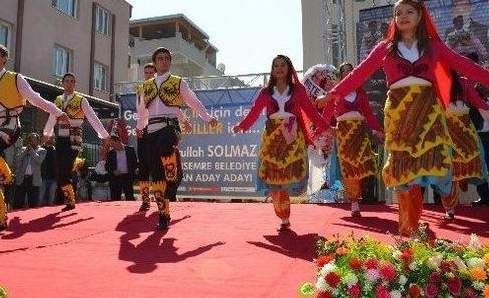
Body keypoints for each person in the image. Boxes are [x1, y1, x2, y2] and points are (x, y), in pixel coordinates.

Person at [325, 0, 489, 237]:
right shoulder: (385, 48)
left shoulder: (433, 46)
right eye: (398, 13)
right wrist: (333, 94)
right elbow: (359, 74)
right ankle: (408, 228)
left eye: (409, 12)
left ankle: (428, 215)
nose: (403, 16)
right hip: (398, 113)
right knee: (403, 171)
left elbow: (464, 65)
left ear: (420, 17)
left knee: (429, 166)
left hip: (427, 112)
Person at [0, 42, 67, 237]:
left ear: (4, 58)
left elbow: (35, 99)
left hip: (9, 126)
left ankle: (8, 177)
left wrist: (58, 112)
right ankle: (0, 220)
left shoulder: (15, 78)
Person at [233, 54, 330, 231]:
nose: (279, 68)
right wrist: (241, 126)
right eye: (276, 65)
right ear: (272, 70)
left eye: (282, 65)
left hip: (292, 138)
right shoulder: (265, 92)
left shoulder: (298, 91)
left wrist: (326, 126)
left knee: (285, 179)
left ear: (288, 68)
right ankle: (282, 215)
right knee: (274, 179)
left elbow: (311, 111)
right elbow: (254, 112)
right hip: (272, 138)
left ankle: (284, 217)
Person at [137, 47, 217, 230]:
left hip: (170, 126)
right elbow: (142, 111)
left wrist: (207, 117)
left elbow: (192, 101)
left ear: (170, 62)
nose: (164, 61)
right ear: (155, 62)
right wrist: (140, 127)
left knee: (165, 145)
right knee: (156, 176)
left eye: (167, 58)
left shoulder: (178, 82)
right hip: (151, 129)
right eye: (160, 59)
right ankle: (163, 215)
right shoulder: (145, 86)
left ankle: (174, 173)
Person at [441, 72, 489, 219]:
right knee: (448, 169)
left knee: (476, 161)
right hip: (447, 131)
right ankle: (449, 208)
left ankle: (471, 186)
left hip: (465, 131)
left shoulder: (465, 83)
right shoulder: (439, 80)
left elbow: (480, 104)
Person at [322, 62, 383, 218]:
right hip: (344, 133)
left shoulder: (360, 92)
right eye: (345, 71)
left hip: (359, 132)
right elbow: (327, 113)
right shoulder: (336, 92)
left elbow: (368, 112)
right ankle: (354, 203)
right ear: (340, 75)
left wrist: (377, 129)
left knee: (363, 166)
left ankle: (358, 194)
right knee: (349, 168)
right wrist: (320, 130)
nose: (348, 73)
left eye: (351, 71)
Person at [43, 72, 110, 211]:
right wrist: (47, 133)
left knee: (64, 169)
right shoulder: (58, 99)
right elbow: (52, 116)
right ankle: (68, 197)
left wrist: (104, 134)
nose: (69, 83)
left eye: (72, 81)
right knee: (60, 171)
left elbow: (92, 117)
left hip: (74, 139)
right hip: (60, 138)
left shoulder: (81, 100)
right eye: (66, 81)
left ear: (75, 84)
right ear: (63, 83)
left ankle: (68, 199)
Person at [136, 62, 191, 212]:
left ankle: (171, 182)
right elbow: (141, 111)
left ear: (155, 73)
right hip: (146, 130)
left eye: (150, 72)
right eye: (145, 72)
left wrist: (185, 121)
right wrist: (139, 126)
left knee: (164, 157)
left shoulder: (161, 86)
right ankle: (146, 200)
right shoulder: (142, 89)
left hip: (164, 127)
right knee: (144, 166)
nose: (148, 75)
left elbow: (174, 109)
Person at [13, 133, 46, 209]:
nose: (33, 141)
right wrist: (25, 152)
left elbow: (39, 160)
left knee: (33, 202)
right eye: (31, 139)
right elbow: (17, 160)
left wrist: (31, 150)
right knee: (18, 201)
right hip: (22, 178)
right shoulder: (23, 149)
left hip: (34, 179)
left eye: (35, 139)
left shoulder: (42, 150)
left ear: (38, 141)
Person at [105, 132, 138, 201]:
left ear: (118, 141)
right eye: (111, 144)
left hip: (128, 177)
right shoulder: (111, 153)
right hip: (115, 179)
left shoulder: (130, 150)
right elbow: (107, 166)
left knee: (129, 197)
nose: (112, 146)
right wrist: (113, 171)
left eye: (113, 144)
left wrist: (135, 172)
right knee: (115, 199)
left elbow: (134, 163)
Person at [39, 135, 57, 206]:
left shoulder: (55, 150)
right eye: (51, 138)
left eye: (53, 138)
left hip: (53, 178)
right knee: (40, 200)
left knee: (51, 201)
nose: (52, 139)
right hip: (42, 178)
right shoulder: (40, 149)